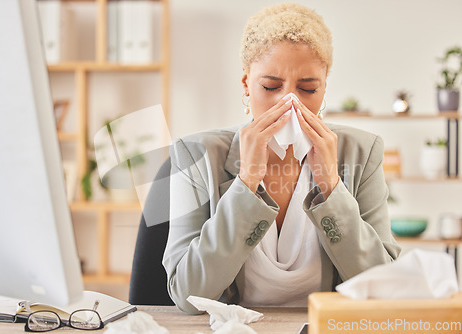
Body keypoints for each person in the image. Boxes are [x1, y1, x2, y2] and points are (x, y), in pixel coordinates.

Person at [163, 3, 401, 314]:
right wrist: (246, 183)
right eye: (271, 86)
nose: (290, 104)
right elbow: (188, 295)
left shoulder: (361, 151)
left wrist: (331, 186)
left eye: (307, 88)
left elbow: (383, 289)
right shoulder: (194, 154)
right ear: (247, 84)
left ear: (324, 86)